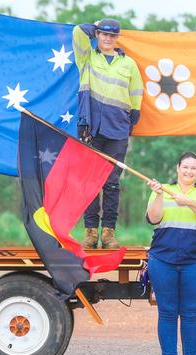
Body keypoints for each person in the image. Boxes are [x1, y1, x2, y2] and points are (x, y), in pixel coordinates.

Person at [72, 18, 144, 249]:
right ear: (97, 35)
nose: (107, 38)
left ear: (117, 38)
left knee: (112, 183)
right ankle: (91, 233)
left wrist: (132, 116)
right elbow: (77, 32)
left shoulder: (129, 64)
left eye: (112, 35)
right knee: (90, 182)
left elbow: (136, 93)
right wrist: (92, 27)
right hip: (91, 127)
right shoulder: (87, 57)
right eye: (103, 34)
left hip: (118, 128)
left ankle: (108, 235)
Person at [145, 152, 196, 355]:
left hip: (195, 263)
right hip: (162, 261)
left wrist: (188, 202)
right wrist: (158, 195)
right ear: (177, 168)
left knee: (190, 314)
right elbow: (153, 218)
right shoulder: (163, 190)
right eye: (185, 167)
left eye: (193, 168)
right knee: (167, 313)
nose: (189, 171)